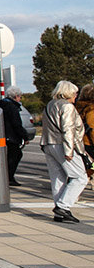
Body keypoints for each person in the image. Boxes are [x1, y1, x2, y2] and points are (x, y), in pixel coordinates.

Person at [40, 80, 87, 224]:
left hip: (49, 143)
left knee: (58, 177)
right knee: (80, 177)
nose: (76, 96)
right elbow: (68, 129)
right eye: (74, 93)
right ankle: (63, 206)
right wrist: (69, 151)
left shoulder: (50, 105)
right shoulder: (67, 107)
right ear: (68, 93)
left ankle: (59, 209)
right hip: (62, 144)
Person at [0, 86, 28, 186]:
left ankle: (5, 176)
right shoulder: (13, 107)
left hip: (2, 135)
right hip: (12, 136)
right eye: (20, 97)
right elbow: (16, 123)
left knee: (7, 157)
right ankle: (9, 177)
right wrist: (24, 136)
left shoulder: (0, 105)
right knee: (15, 156)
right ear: (16, 96)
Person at [77, 84, 94, 184]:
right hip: (89, 142)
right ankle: (83, 178)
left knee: (88, 165)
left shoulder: (78, 107)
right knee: (90, 166)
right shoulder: (91, 109)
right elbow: (92, 129)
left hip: (81, 141)